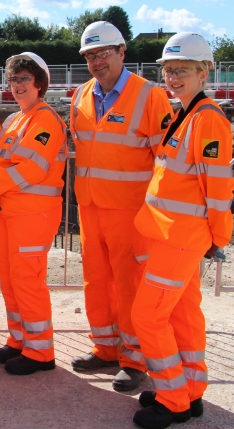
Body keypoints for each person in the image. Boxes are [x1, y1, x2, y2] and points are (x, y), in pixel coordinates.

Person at [130, 33, 233, 428]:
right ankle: (190, 390)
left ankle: (172, 400)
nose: (173, 78)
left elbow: (219, 187)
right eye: (169, 71)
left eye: (183, 71)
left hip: (182, 238)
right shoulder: (186, 114)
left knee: (149, 317)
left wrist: (218, 238)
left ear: (204, 72)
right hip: (171, 234)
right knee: (183, 314)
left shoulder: (207, 119)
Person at [69, 21, 174, 391]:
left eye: (104, 53)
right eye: (90, 55)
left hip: (131, 212)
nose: (97, 61)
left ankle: (134, 359)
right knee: (96, 281)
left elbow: (167, 159)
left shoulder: (149, 96)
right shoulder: (81, 96)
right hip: (91, 207)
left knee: (130, 284)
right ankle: (106, 349)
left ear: (122, 52)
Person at [0, 52, 67, 375]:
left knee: (28, 281)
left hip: (32, 215)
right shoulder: (14, 121)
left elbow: (31, 168)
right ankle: (20, 339)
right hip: (6, 213)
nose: (17, 85)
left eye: (23, 79)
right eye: (13, 80)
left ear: (39, 84)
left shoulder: (46, 119)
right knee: (12, 281)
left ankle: (41, 352)